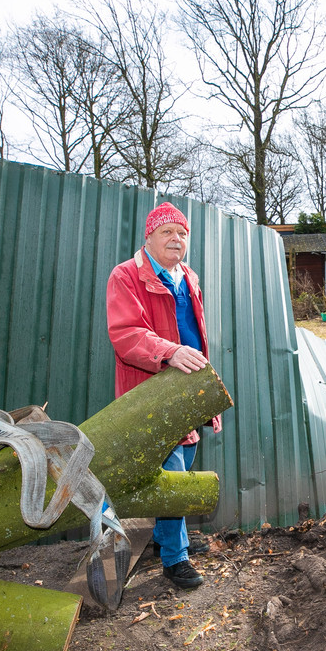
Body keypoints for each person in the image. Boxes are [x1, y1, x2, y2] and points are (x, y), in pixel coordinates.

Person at [106, 201, 221, 590]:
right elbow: (126, 335)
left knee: (184, 458)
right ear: (148, 237)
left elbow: (194, 332)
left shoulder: (188, 276)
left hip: (187, 385)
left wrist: (204, 390)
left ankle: (161, 539)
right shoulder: (126, 276)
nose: (177, 239)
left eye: (182, 233)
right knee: (170, 471)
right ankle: (175, 559)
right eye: (167, 232)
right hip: (151, 386)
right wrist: (169, 352)